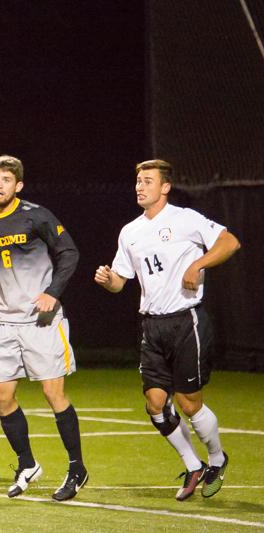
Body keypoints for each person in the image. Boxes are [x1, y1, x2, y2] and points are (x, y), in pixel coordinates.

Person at [94, 159, 240, 501]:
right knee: (155, 403)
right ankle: (193, 465)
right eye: (138, 181)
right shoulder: (129, 231)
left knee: (189, 405)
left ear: (165, 187)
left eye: (147, 181)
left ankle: (217, 458)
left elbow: (230, 242)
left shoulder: (185, 219)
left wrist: (199, 263)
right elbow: (120, 282)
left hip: (185, 320)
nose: (139, 186)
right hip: (152, 325)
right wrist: (107, 280)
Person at [0, 155, 86, 501]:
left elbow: (70, 253)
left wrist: (52, 294)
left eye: (6, 179)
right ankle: (27, 464)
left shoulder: (37, 215)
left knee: (54, 394)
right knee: (1, 396)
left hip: (42, 321)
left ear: (18, 185)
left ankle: (77, 468)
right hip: (7, 323)